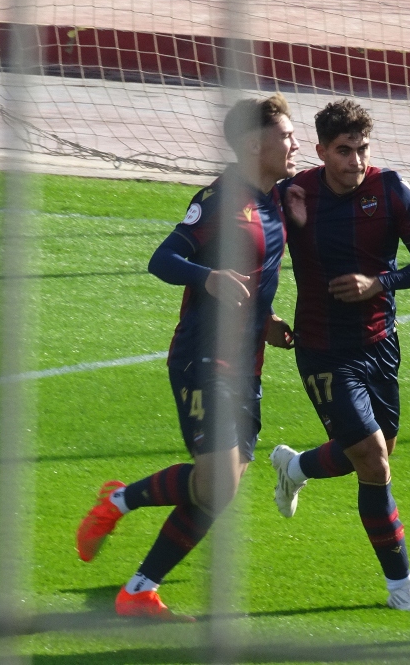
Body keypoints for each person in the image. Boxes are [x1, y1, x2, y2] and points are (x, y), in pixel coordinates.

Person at [75, 93, 299, 621]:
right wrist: (209, 278)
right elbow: (163, 258)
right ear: (252, 144)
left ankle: (137, 591)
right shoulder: (221, 199)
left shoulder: (273, 200)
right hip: (204, 355)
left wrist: (263, 321)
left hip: (246, 361)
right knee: (218, 479)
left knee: (217, 487)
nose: (294, 143)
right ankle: (118, 505)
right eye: (286, 135)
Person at [269, 99, 410, 613]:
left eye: (362, 149)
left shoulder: (391, 190)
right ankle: (400, 585)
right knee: (371, 456)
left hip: (380, 345)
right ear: (321, 151)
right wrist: (264, 317)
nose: (356, 161)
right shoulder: (293, 194)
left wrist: (380, 283)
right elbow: (251, 253)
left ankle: (295, 467)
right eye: (344, 151)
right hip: (322, 349)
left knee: (373, 451)